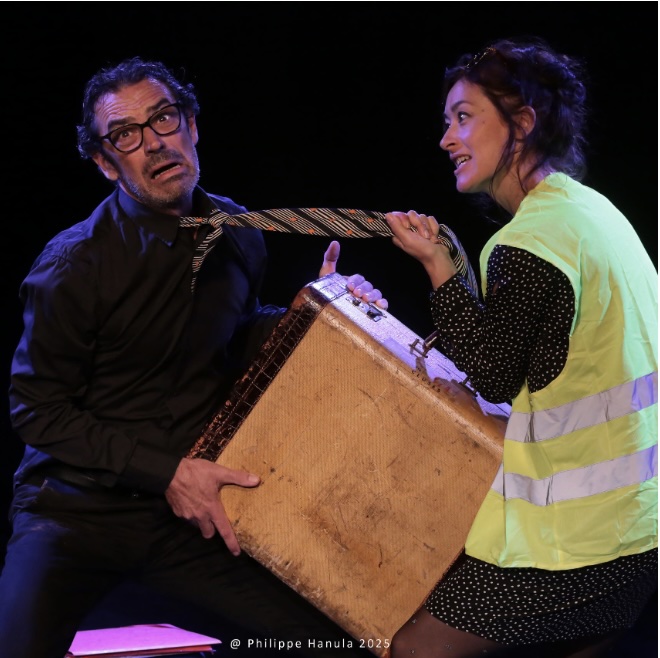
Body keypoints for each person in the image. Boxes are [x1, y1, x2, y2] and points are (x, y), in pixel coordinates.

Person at [0, 57, 388, 658]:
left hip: (182, 515)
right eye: (125, 135)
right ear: (106, 163)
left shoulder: (238, 231)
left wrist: (315, 313)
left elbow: (232, 339)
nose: (154, 142)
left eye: (164, 118)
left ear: (192, 126)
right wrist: (168, 472)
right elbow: (37, 411)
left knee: (330, 644)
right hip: (74, 513)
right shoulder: (72, 266)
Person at [384, 38, 657, 658]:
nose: (446, 139)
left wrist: (439, 269)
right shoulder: (593, 212)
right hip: (640, 529)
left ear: (523, 122)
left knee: (410, 650)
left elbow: (494, 372)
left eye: (463, 117)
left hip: (576, 545)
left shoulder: (532, 241)